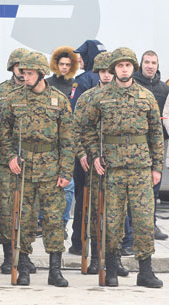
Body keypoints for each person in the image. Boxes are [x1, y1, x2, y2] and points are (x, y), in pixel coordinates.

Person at [81, 47, 164, 288]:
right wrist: (95, 155)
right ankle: (112, 267)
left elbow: (156, 134)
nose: (124, 69)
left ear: (132, 68)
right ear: (114, 69)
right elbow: (87, 128)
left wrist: (156, 166)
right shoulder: (100, 97)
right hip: (112, 168)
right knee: (112, 220)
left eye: (128, 65)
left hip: (140, 169)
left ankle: (145, 271)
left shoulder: (146, 96)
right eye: (120, 66)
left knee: (144, 220)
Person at [0, 50, 72, 288]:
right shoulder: (14, 98)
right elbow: (3, 132)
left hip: (50, 167)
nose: (25, 77)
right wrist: (10, 156)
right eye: (23, 73)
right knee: (24, 219)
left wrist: (65, 172)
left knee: (53, 220)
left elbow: (68, 140)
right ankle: (24, 268)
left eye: (29, 73)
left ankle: (55, 270)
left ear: (41, 74)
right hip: (23, 169)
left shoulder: (59, 100)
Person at [71, 51, 128, 278]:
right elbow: (77, 130)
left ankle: (115, 258)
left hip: (118, 163)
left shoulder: (123, 95)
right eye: (102, 71)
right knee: (95, 211)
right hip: (93, 164)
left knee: (118, 213)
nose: (105, 75)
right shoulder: (87, 98)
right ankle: (95, 257)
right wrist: (83, 154)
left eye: (108, 71)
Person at [0, 48, 31, 275]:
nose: (23, 73)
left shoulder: (36, 92)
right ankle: (8, 254)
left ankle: (24, 255)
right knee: (6, 210)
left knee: (27, 210)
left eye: (27, 69)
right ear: (12, 67)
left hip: (30, 161)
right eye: (19, 68)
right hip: (5, 161)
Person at [134, 50, 169, 241]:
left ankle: (151, 226)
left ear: (157, 65)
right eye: (146, 62)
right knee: (135, 188)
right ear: (141, 64)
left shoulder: (164, 88)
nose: (150, 66)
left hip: (156, 144)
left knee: (154, 186)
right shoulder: (133, 84)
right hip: (135, 145)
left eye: (153, 62)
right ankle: (132, 229)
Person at [46, 46, 80, 240]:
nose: (64, 67)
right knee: (45, 185)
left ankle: (62, 223)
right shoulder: (47, 84)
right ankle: (44, 221)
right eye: (61, 64)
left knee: (68, 186)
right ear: (55, 64)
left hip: (69, 141)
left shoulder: (76, 86)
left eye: (68, 64)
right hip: (49, 141)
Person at [71, 40, 106, 110]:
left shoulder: (83, 79)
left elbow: (74, 107)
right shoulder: (115, 77)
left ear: (89, 57)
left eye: (81, 56)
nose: (79, 59)